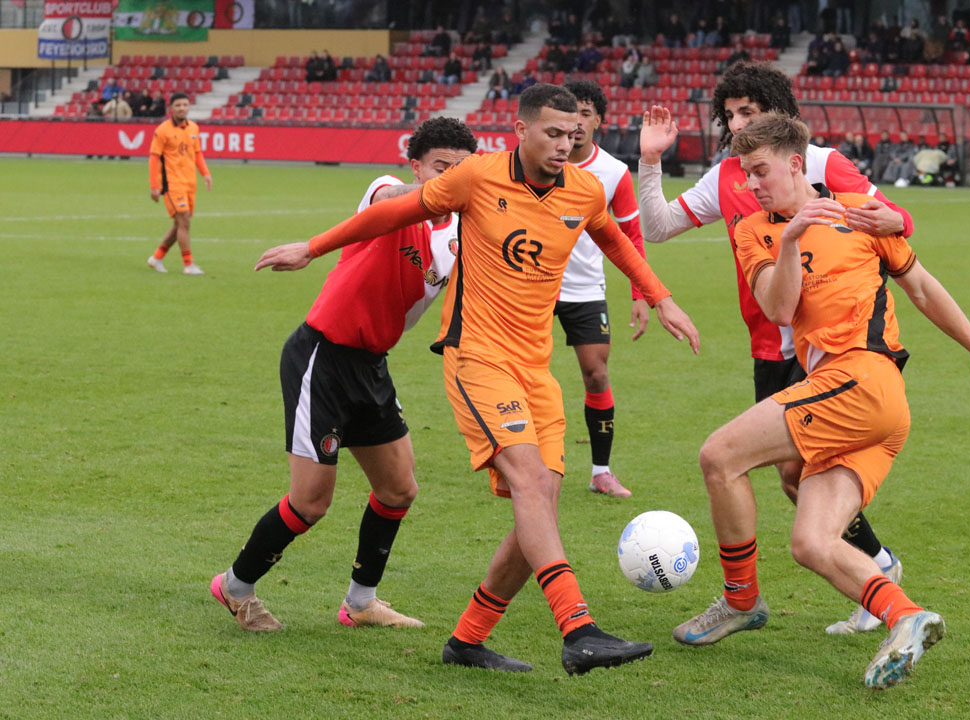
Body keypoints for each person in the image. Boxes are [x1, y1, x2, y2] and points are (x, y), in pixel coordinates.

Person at [253, 83, 700, 675]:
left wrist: (659, 296)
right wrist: (312, 247)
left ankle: (467, 640)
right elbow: (392, 211)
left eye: (573, 135)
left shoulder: (584, 190)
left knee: (540, 499)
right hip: (479, 359)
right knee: (529, 483)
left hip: (536, 369)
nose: (566, 145)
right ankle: (578, 627)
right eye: (553, 133)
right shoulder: (477, 178)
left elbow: (615, 239)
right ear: (520, 130)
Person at [695, 111, 970, 687]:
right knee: (811, 542)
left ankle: (740, 601)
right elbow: (779, 309)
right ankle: (907, 617)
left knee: (720, 456)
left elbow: (921, 287)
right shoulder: (753, 231)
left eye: (761, 171)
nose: (752, 184)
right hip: (858, 401)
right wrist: (790, 237)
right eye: (746, 173)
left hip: (864, 380)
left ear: (795, 164)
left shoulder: (859, 217)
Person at [637, 61, 914, 635]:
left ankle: (761, 596)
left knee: (746, 460)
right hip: (770, 340)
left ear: (777, 112)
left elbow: (890, 221)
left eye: (748, 111)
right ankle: (878, 570)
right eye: (729, 114)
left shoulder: (821, 162)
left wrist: (901, 218)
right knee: (793, 479)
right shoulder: (726, 176)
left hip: (828, 346)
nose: (737, 122)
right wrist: (650, 161)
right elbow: (658, 226)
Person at [209, 118, 478, 633]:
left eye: (463, 171)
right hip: (322, 357)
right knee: (311, 502)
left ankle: (360, 603)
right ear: (416, 165)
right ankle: (235, 587)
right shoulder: (384, 193)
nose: (451, 180)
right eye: (442, 169)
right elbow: (390, 198)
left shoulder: (460, 236)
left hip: (371, 366)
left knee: (399, 489)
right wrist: (434, 189)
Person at [558, 79, 649, 498]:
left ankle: (600, 471)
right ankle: (517, 462)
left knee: (596, 374)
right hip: (532, 284)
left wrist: (640, 294)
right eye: (569, 112)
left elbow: (631, 236)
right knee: (523, 372)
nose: (576, 122)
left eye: (585, 113)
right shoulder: (533, 160)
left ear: (599, 121)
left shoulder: (613, 172)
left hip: (584, 288)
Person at [146, 93, 212, 275]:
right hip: (172, 184)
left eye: (185, 105)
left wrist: (205, 173)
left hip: (190, 182)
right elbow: (153, 159)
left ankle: (156, 258)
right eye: (178, 105)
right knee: (184, 223)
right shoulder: (162, 130)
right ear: (171, 108)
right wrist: (154, 185)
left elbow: (197, 153)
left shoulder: (193, 128)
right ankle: (188, 265)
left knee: (179, 225)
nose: (182, 108)